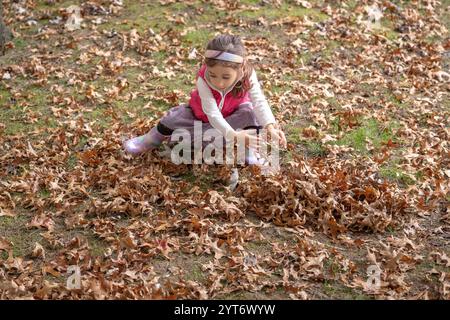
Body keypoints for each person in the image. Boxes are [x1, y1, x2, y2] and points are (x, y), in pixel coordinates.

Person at [123, 34, 286, 165]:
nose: (218, 82)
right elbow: (212, 113)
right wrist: (234, 136)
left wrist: (270, 126)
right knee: (172, 119)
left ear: (241, 70)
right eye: (213, 74)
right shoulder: (203, 79)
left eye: (226, 76)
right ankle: (151, 140)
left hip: (231, 118)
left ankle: (249, 151)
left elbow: (259, 101)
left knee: (251, 113)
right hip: (199, 116)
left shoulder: (248, 77)